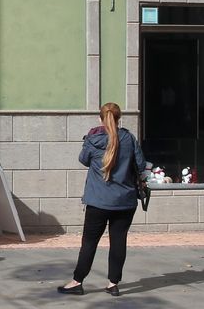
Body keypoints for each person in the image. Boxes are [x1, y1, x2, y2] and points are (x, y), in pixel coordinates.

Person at [57, 102, 146, 297]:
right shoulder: (129, 138)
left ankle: (77, 281)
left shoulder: (93, 139)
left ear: (100, 118)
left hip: (98, 201)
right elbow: (141, 165)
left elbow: (83, 160)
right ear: (119, 118)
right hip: (125, 200)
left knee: (89, 242)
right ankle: (113, 284)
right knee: (118, 241)